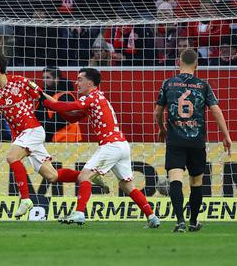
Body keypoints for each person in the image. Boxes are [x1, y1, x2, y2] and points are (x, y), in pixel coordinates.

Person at [0, 50, 102, 220]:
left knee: (12, 157)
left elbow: (42, 96)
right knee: (52, 176)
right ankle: (87, 176)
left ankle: (25, 200)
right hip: (20, 137)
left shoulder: (20, 82)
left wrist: (61, 107)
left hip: (32, 130)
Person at [41, 68, 160, 228]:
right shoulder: (95, 99)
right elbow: (71, 116)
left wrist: (47, 103)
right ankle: (152, 217)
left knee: (84, 177)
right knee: (127, 186)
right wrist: (46, 99)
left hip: (111, 145)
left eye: (80, 79)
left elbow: (69, 107)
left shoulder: (93, 97)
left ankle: (80, 213)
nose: (76, 83)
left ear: (90, 83)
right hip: (121, 145)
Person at [155, 48, 232, 232]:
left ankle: (180, 221)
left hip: (175, 140)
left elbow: (158, 111)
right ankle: (193, 222)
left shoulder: (168, 83)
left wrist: (162, 129)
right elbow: (216, 110)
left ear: (178, 62)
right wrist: (226, 135)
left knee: (175, 179)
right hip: (196, 141)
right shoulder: (203, 85)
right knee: (196, 182)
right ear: (196, 65)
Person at [36, 67, 81, 143]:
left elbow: (59, 122)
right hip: (52, 139)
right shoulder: (46, 96)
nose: (44, 80)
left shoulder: (66, 96)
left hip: (66, 140)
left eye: (47, 77)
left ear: (56, 79)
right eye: (43, 77)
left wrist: (37, 128)